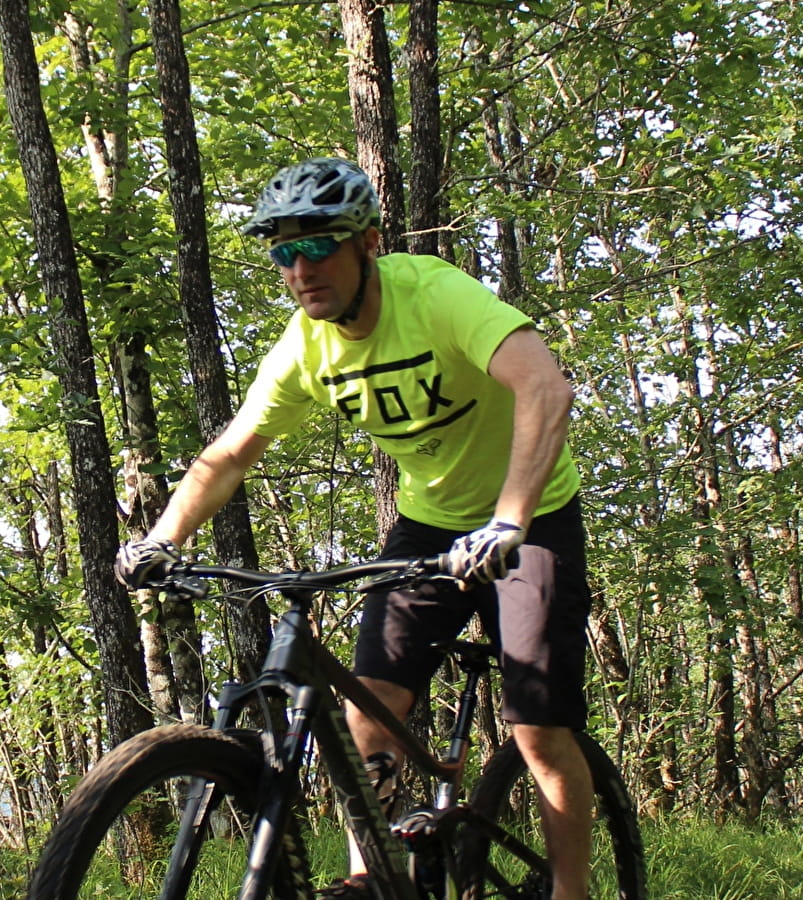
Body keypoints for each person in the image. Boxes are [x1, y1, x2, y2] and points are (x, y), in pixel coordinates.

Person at [114, 157, 594, 900]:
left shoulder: (434, 296)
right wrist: (163, 539)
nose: (299, 269)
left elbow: (544, 384)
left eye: (316, 246)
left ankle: (574, 892)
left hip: (528, 520)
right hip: (430, 524)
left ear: (367, 243)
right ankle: (374, 877)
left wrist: (511, 517)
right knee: (369, 703)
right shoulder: (307, 347)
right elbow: (230, 453)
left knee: (538, 730)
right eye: (281, 252)